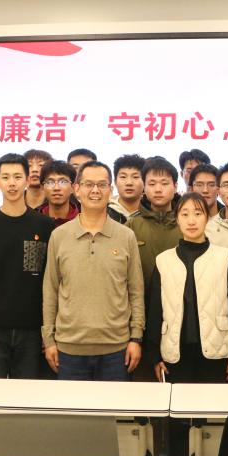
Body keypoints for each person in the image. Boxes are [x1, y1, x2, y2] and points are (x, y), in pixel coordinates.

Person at [147, 192, 228, 456]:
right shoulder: (163, 260)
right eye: (185, 214)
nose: (191, 220)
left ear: (207, 218)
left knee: (211, 418)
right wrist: (154, 355)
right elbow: (154, 309)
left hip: (215, 352)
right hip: (176, 353)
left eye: (198, 213)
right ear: (177, 219)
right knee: (178, 421)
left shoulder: (223, 256)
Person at [42, 161, 145, 381]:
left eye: (102, 185)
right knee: (72, 405)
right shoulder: (59, 236)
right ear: (77, 189)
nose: (95, 190)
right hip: (69, 349)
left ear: (110, 189)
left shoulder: (126, 236)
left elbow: (136, 291)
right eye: (88, 184)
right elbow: (50, 290)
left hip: (117, 349)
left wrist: (136, 338)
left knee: (115, 405)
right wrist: (49, 340)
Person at [0, 154, 54, 379]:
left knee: (28, 396)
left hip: (32, 331)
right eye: (6, 177)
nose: (12, 183)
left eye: (17, 177)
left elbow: (50, 283)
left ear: (27, 180)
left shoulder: (45, 226)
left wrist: (48, 333)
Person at [126, 156, 181, 289]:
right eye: (152, 184)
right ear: (144, 187)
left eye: (164, 183)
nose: (158, 189)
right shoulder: (132, 225)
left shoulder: (187, 224)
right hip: (142, 298)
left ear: (175, 187)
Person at [38, 160, 80, 228]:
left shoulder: (83, 220)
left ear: (73, 187)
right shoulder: (33, 220)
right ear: (42, 187)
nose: (56, 188)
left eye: (63, 182)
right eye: (50, 182)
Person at [109, 154, 145, 220]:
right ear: (115, 182)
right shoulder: (104, 212)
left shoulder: (154, 212)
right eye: (123, 177)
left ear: (145, 181)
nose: (129, 183)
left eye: (135, 177)